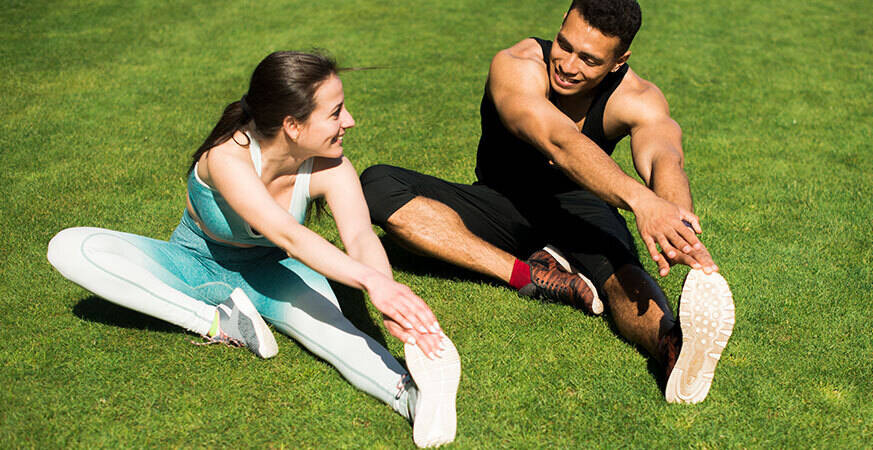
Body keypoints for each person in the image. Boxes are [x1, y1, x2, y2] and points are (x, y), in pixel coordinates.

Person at [47, 51, 460, 447]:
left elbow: (360, 238)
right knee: (70, 247)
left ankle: (413, 397)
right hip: (189, 262)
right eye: (335, 113)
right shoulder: (227, 156)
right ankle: (218, 322)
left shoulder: (333, 168)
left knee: (336, 335)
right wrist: (371, 282)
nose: (349, 121)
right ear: (292, 126)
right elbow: (290, 236)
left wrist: (388, 299)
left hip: (270, 276)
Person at [360, 0, 734, 404]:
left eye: (589, 59)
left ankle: (672, 347)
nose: (568, 65)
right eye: (564, 44)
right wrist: (643, 203)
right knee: (378, 184)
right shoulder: (517, 64)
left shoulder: (637, 97)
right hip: (497, 202)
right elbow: (560, 141)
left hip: (579, 207)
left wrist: (674, 215)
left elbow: (665, 156)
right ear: (560, 26)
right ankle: (529, 275)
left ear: (618, 61)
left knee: (624, 277)